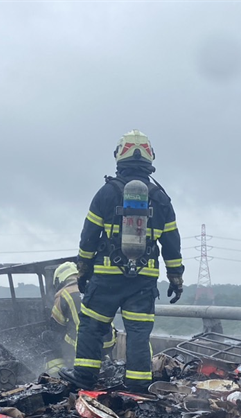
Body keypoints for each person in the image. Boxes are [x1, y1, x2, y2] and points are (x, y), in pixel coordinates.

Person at [60, 130, 184, 393]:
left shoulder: (106, 193)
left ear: (119, 156)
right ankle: (138, 384)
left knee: (92, 325)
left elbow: (89, 237)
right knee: (139, 330)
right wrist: (176, 277)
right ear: (150, 157)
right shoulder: (161, 199)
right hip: (143, 279)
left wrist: (83, 271)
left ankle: (84, 376)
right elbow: (172, 242)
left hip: (106, 276)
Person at [44, 261, 115, 374]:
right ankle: (102, 362)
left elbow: (56, 325)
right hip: (108, 343)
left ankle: (58, 373)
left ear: (59, 279)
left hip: (83, 345)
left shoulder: (63, 294)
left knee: (49, 336)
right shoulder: (92, 287)